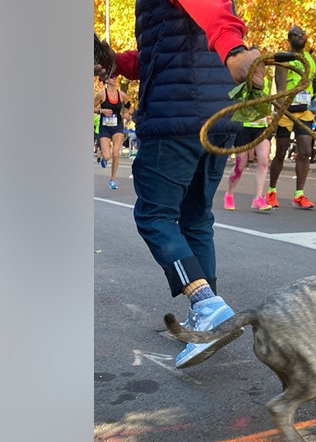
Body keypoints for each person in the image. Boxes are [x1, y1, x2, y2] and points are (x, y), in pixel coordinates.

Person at [104, 0, 265, 368]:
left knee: (153, 216)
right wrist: (117, 62)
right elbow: (160, 54)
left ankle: (207, 305)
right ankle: (210, 315)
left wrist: (234, 50)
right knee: (195, 219)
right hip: (215, 116)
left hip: (175, 118)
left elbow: (212, 7)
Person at [267, 26, 316, 210]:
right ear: (289, 39)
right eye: (296, 35)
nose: (301, 37)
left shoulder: (313, 60)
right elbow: (281, 89)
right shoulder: (283, 59)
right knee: (281, 153)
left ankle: (299, 194)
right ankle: (271, 191)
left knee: (306, 151)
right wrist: (282, 110)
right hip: (286, 111)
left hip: (304, 111)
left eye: (303, 34)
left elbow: (313, 90)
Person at [224, 77, 273, 212]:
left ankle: (258, 198)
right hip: (243, 126)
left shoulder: (266, 81)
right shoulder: (239, 80)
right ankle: (229, 193)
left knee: (263, 160)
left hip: (261, 126)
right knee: (241, 163)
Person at [94, 75, 132, 189]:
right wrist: (102, 110)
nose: (114, 79)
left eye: (115, 77)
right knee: (107, 156)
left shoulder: (121, 95)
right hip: (105, 128)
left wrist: (127, 114)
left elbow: (130, 107)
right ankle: (103, 157)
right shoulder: (102, 94)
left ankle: (112, 180)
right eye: (112, 77)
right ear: (106, 80)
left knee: (115, 153)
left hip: (117, 127)